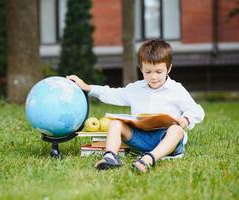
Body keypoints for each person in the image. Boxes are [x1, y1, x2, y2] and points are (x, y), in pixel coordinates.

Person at [67, 39, 205, 173]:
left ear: (169, 68)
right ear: (141, 69)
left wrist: (186, 119)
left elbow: (197, 110)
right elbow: (112, 93)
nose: (153, 77)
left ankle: (148, 160)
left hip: (166, 141)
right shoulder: (135, 88)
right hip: (141, 138)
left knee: (176, 130)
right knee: (115, 124)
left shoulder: (176, 89)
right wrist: (87, 87)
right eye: (148, 72)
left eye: (158, 72)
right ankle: (110, 157)